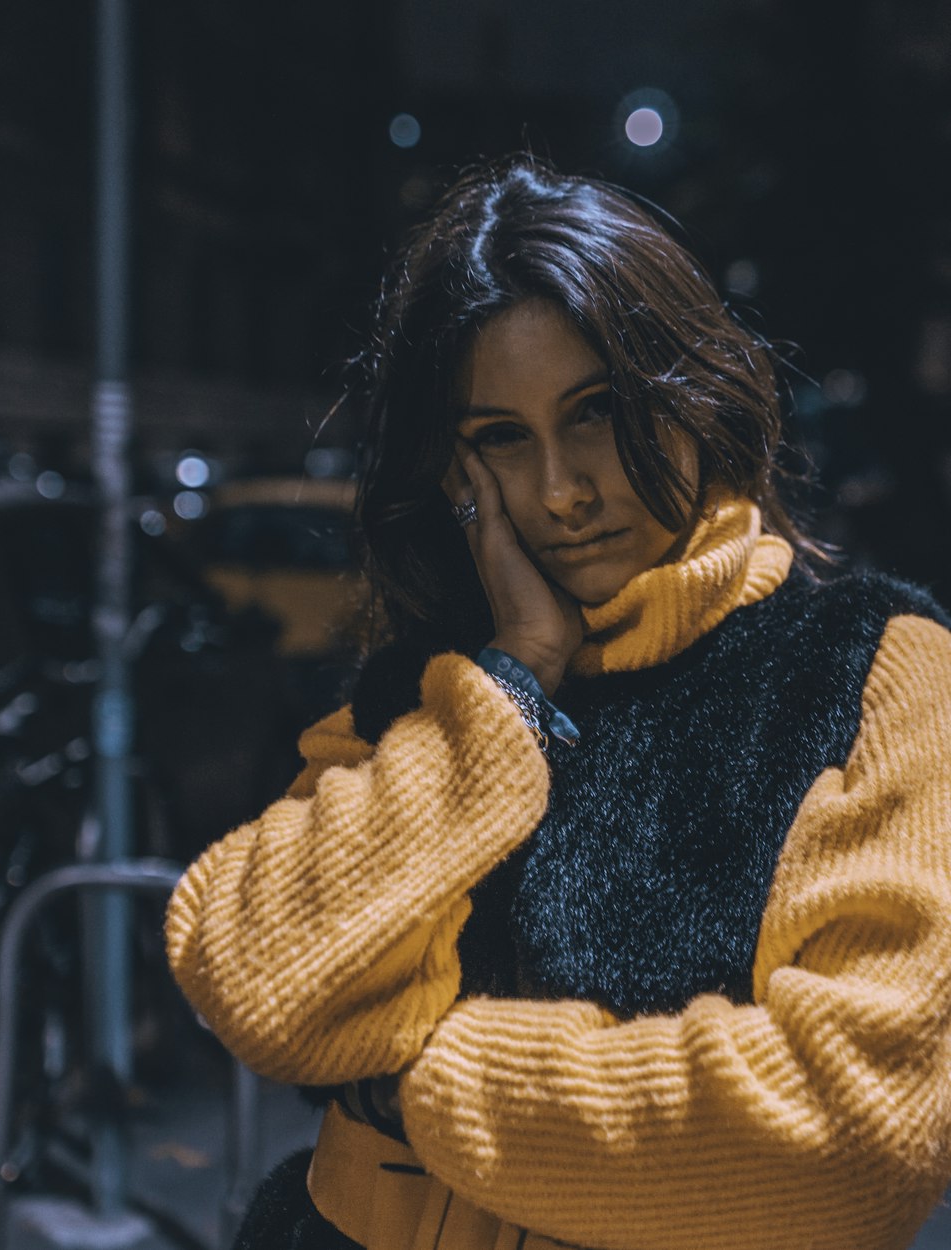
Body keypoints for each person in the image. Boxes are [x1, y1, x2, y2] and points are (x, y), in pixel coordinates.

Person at [164, 154, 951, 1250]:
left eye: (596, 413)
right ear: (455, 472)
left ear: (695, 392)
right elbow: (256, 970)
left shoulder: (870, 666)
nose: (560, 490)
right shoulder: (442, 684)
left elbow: (856, 1128)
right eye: (500, 438)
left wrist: (415, 1083)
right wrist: (512, 681)